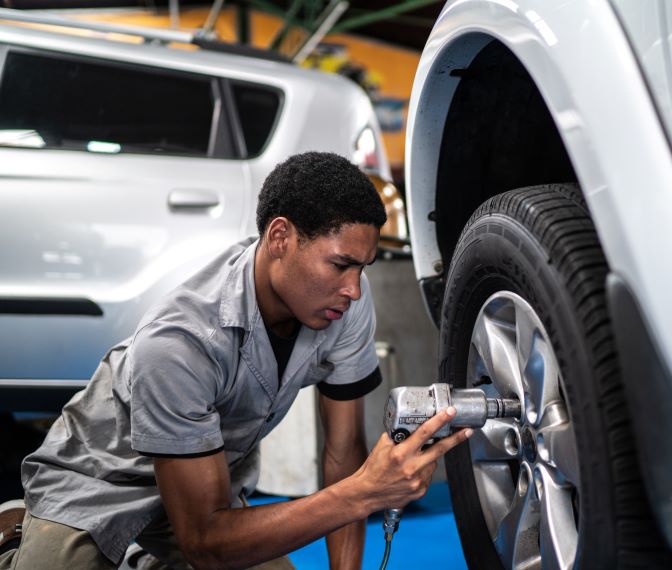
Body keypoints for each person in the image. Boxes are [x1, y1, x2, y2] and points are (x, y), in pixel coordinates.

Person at [0, 152, 471, 569]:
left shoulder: (345, 302)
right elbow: (205, 543)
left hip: (208, 484)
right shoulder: (180, 342)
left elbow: (342, 451)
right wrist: (365, 492)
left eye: (362, 268)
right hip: (100, 480)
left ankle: (144, 558)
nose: (353, 287)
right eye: (340, 264)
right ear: (281, 237)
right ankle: (16, 535)